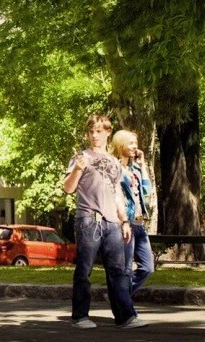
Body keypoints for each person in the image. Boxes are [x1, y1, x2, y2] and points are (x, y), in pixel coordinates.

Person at [61, 115, 144, 329]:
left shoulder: (114, 162)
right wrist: (78, 169)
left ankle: (125, 317)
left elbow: (117, 192)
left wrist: (124, 220)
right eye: (91, 131)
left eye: (99, 131)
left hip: (112, 222)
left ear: (108, 132)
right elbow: (68, 188)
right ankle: (80, 317)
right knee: (84, 269)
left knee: (118, 271)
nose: (94, 135)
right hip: (89, 220)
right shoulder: (81, 157)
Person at [110, 129, 154, 294]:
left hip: (139, 223)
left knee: (148, 268)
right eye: (131, 143)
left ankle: (120, 296)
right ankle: (123, 302)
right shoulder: (114, 168)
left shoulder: (135, 168)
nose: (135, 146)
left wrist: (142, 165)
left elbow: (147, 190)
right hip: (125, 224)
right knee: (126, 269)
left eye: (136, 143)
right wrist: (122, 221)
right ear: (120, 144)